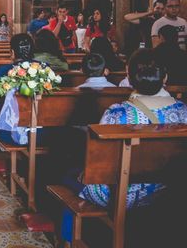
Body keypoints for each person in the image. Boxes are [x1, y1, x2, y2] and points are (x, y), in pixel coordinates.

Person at [76, 49, 187, 208]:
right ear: (165, 77)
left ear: (129, 77)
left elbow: (98, 163)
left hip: (122, 195)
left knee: (70, 176)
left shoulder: (117, 114)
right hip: (170, 191)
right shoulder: (183, 111)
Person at [0, 33, 35, 111]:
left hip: (11, 118)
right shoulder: (45, 68)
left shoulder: (3, 71)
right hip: (46, 118)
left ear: (12, 52)